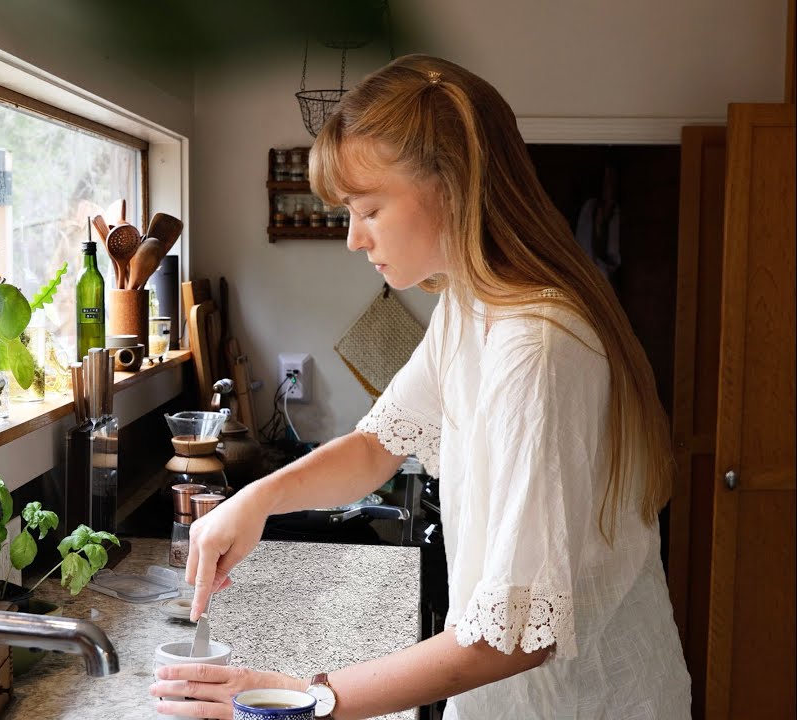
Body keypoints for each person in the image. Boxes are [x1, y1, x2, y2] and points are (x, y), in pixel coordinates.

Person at [151, 54, 691, 719]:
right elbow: (377, 447)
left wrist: (309, 701)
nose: (353, 238)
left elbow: (517, 638)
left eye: (368, 208)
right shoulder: (471, 307)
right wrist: (257, 501)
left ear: (452, 187)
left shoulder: (536, 346)